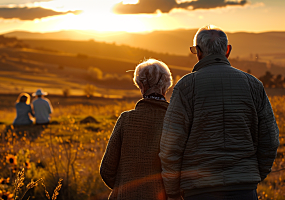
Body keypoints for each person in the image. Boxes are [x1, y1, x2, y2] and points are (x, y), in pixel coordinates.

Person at [159, 25, 279, 200]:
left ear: (198, 52)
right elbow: (270, 139)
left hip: (199, 190)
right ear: (227, 50)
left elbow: (171, 145)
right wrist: (252, 174)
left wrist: (172, 191)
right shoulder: (253, 85)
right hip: (244, 190)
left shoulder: (186, 86)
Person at [100, 58, 173, 200]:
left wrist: (125, 188)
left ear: (141, 85)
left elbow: (106, 170)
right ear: (167, 86)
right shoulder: (175, 121)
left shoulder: (126, 120)